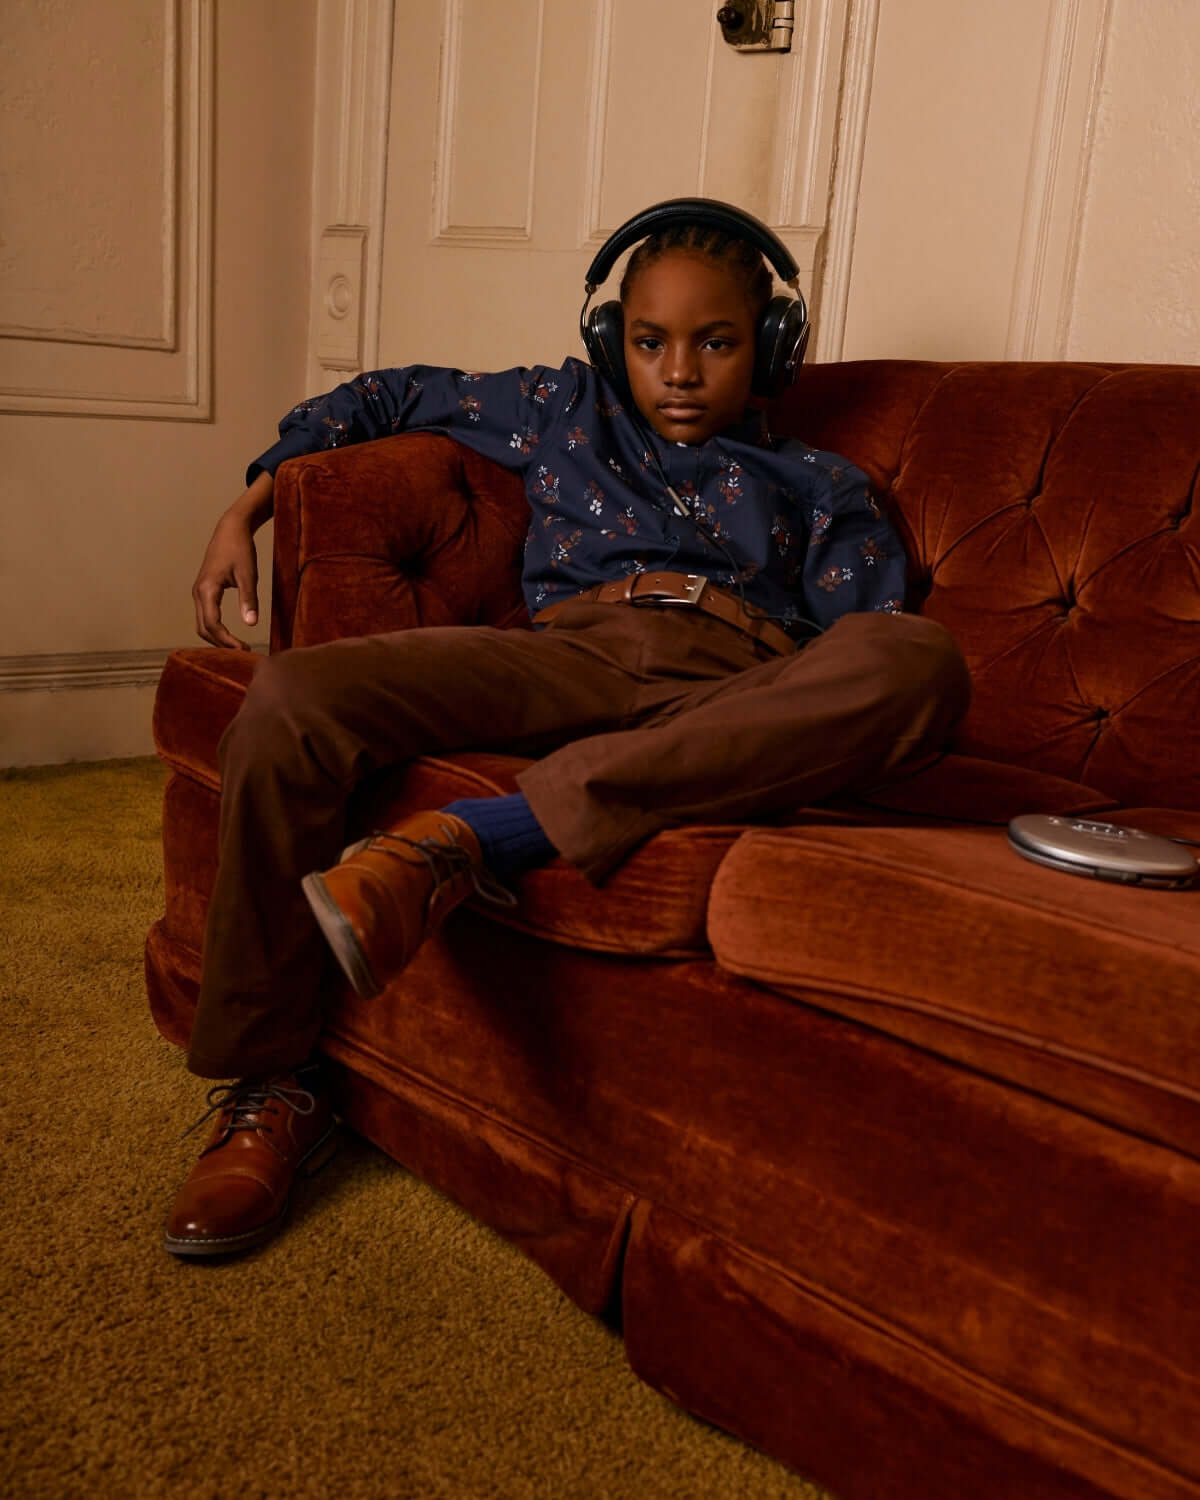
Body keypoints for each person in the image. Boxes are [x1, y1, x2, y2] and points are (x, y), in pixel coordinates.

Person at [165, 199, 970, 1258]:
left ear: (772, 347)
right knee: (291, 698)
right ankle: (271, 1083)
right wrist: (246, 508)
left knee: (920, 658)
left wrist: (809, 684)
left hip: (733, 688)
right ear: (610, 342)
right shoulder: (565, 408)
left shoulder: (826, 488)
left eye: (717, 342)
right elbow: (386, 396)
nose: (679, 371)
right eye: (649, 343)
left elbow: (864, 665)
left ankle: (475, 837)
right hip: (566, 654)